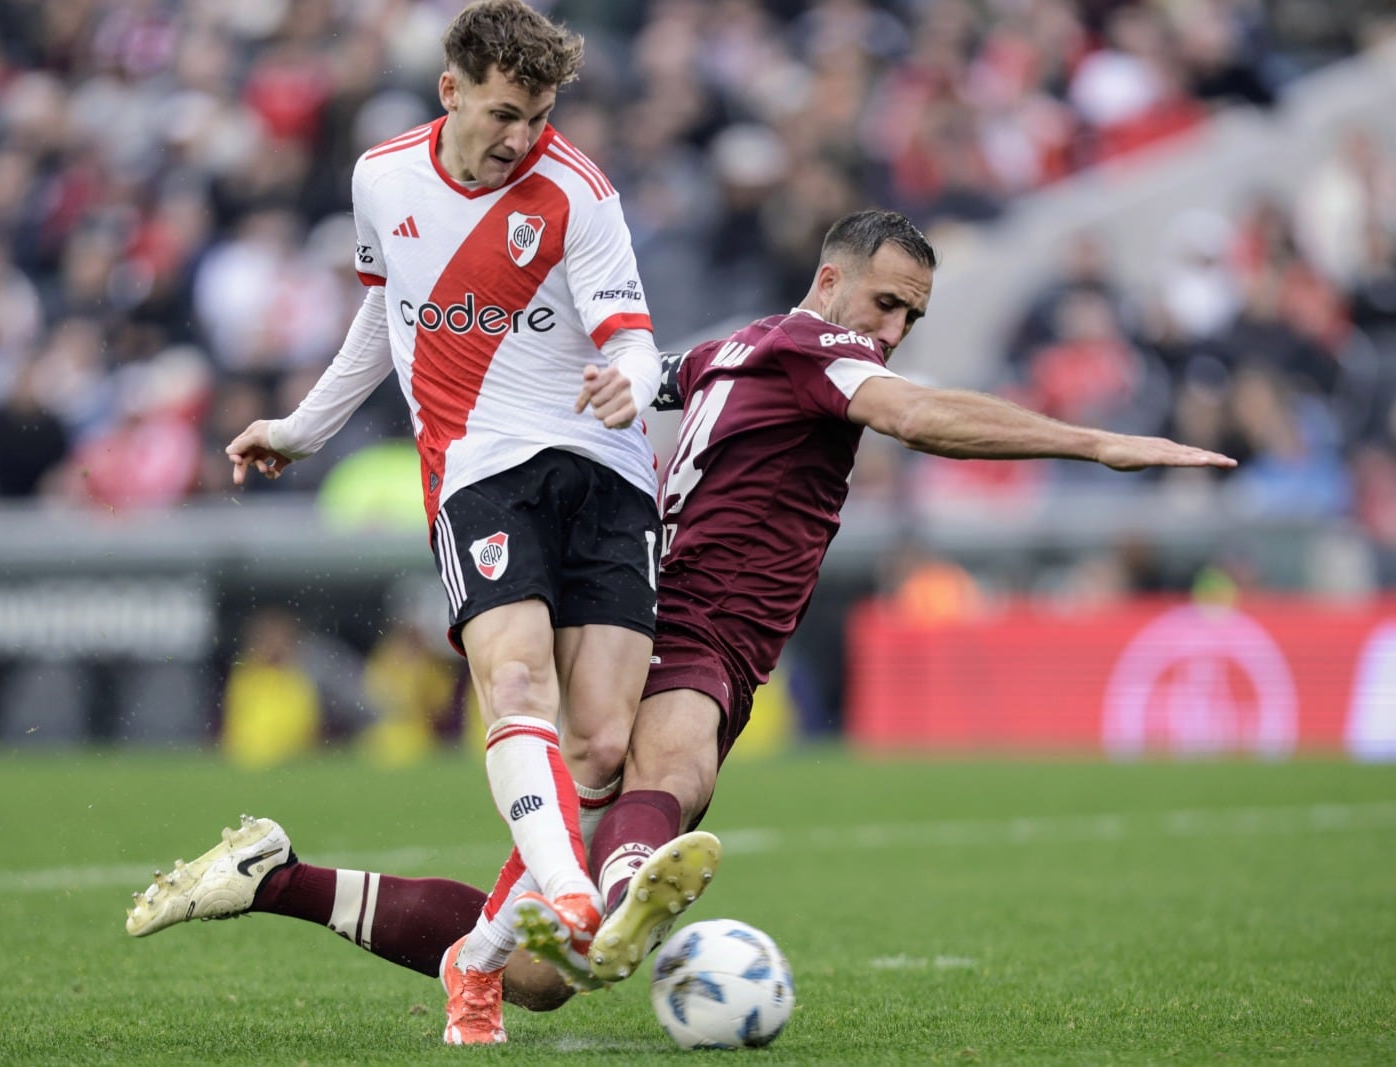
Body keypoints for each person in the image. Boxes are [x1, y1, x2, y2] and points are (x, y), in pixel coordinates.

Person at [125, 210, 1237, 1036]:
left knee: (535, 971)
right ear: (830, 279)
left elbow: (623, 385)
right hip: (688, 620)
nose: (892, 331)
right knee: (677, 759)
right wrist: (1095, 443)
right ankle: (620, 894)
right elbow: (920, 418)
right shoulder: (814, 352)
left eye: (911, 317)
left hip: (648, 604)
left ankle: (277, 876)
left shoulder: (723, 352)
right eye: (886, 302)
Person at [141, 0, 665, 1047]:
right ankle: (568, 900)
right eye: (507, 112)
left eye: (542, 114)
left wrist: (632, 383)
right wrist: (301, 426)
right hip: (479, 468)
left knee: (601, 749)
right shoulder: (381, 176)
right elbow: (387, 316)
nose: (522, 137)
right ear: (452, 90)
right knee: (514, 682)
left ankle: (477, 957)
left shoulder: (577, 191)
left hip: (602, 467)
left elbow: (634, 334)